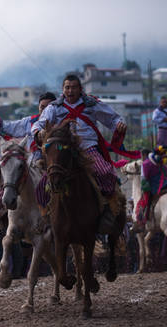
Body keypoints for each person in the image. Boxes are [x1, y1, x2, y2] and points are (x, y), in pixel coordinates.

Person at [31, 75, 134, 234]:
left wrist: (119, 124)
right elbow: (39, 123)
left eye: (73, 87)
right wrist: (38, 131)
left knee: (105, 173)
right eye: (67, 87)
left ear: (80, 89)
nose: (70, 91)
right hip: (64, 149)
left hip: (88, 147)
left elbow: (113, 118)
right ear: (63, 90)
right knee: (42, 186)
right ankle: (45, 218)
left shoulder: (92, 104)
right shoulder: (54, 107)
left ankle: (106, 210)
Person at [0, 91, 57, 164]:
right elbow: (11, 127)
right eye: (42, 107)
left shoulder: (61, 123)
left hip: (57, 162)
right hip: (34, 165)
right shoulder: (30, 122)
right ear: (38, 107)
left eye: (48, 108)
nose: (45, 111)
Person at [135, 146, 167, 226]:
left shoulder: (145, 164)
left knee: (143, 202)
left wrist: (143, 190)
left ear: (144, 155)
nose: (141, 158)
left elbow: (144, 179)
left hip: (156, 188)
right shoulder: (160, 161)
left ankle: (142, 221)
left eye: (141, 156)